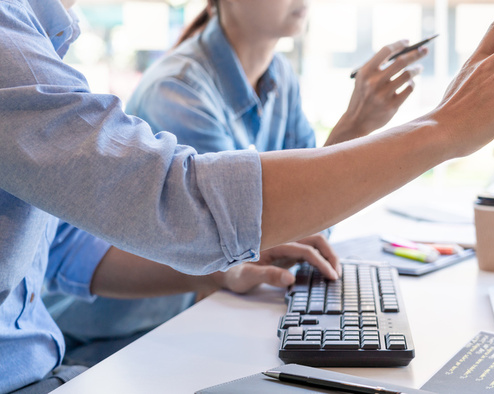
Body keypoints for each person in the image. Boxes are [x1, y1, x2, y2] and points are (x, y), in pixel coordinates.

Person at [0, 0, 494, 392]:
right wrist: (442, 130)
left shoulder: (279, 78)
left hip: (55, 362)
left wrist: (222, 272)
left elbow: (67, 247)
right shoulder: (27, 47)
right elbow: (190, 212)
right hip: (87, 351)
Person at [47, 0, 428, 358]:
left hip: (201, 308)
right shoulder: (178, 90)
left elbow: (303, 228)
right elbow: (229, 236)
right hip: (122, 332)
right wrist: (356, 126)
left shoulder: (279, 77)